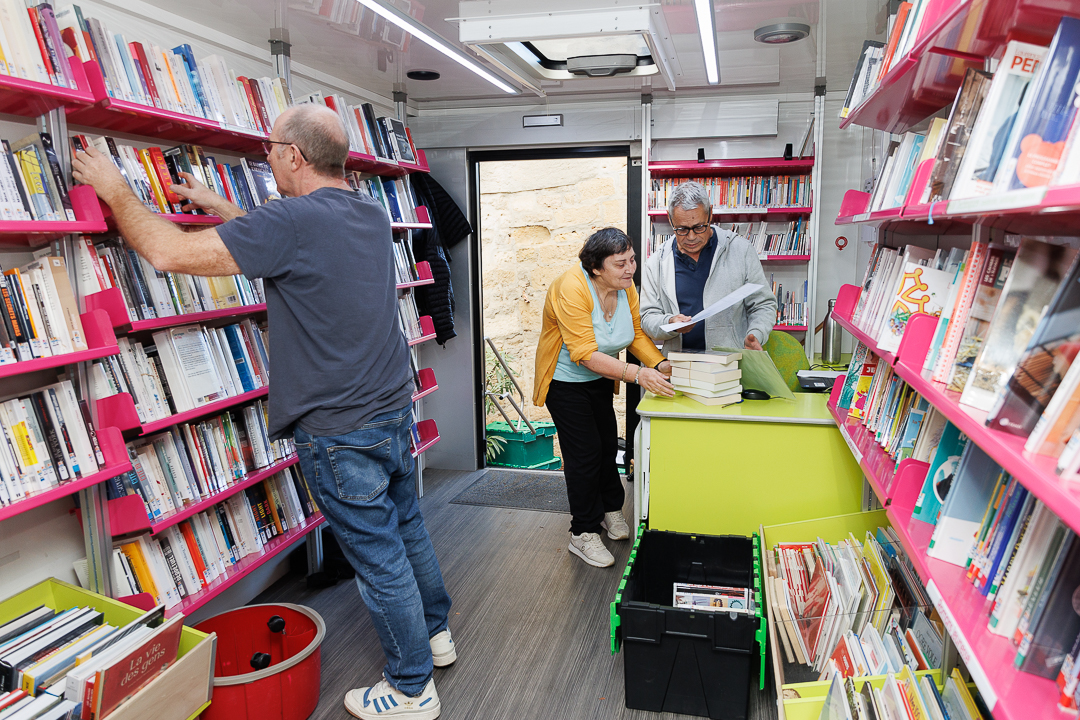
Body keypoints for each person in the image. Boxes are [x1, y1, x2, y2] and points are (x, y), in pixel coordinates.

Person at [72, 104, 452, 720]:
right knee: (407, 529)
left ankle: (412, 689)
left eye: (269, 149)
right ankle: (435, 637)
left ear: (293, 156)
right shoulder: (365, 211)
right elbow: (286, 242)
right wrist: (221, 207)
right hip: (390, 412)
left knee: (379, 561)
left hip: (338, 431)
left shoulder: (292, 221)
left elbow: (166, 253)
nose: (266, 158)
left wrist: (115, 189)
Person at [533, 228, 675, 568]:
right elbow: (584, 354)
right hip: (565, 383)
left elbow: (635, 334)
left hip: (600, 378)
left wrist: (660, 363)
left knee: (607, 445)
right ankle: (582, 532)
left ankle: (611, 508)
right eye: (620, 263)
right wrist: (638, 374)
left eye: (632, 260)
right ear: (596, 268)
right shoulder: (571, 287)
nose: (630, 269)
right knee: (584, 455)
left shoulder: (625, 288)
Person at [640, 181, 778, 354]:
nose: (691, 237)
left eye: (699, 227)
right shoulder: (656, 263)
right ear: (670, 218)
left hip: (729, 363)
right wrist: (670, 322)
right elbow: (648, 318)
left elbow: (763, 304)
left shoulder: (741, 250)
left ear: (710, 213)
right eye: (682, 229)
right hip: (678, 365)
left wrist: (756, 333)